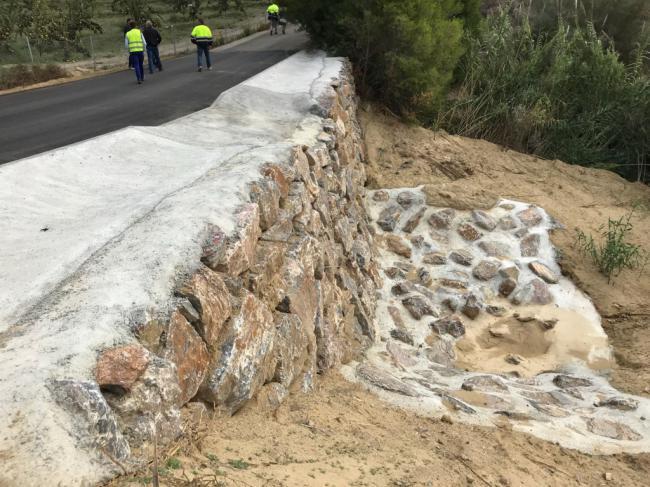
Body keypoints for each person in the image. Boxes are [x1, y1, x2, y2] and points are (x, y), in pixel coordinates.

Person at [125, 20, 146, 84]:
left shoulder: (128, 34)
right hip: (140, 51)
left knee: (136, 65)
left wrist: (129, 51)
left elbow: (126, 45)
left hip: (133, 52)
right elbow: (144, 43)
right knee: (140, 64)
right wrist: (144, 50)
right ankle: (142, 77)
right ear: (135, 25)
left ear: (130, 26)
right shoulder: (139, 32)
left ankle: (139, 79)